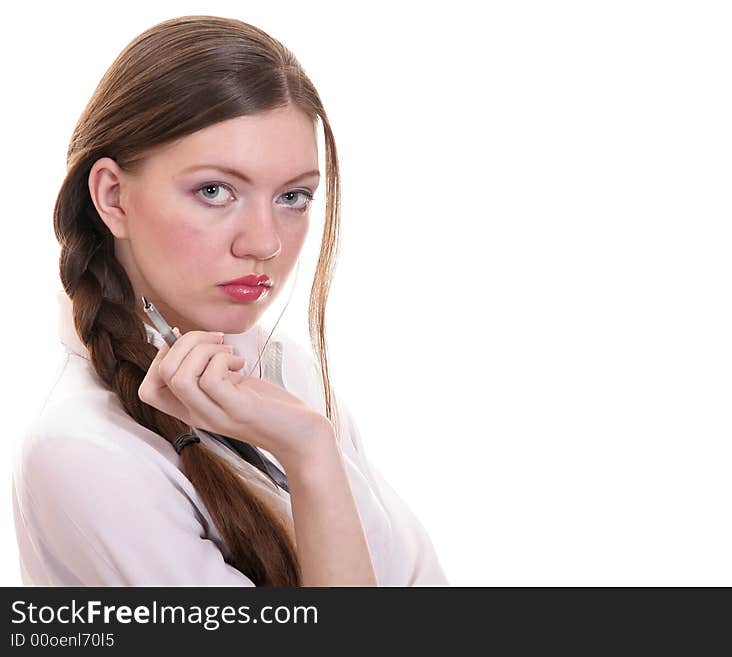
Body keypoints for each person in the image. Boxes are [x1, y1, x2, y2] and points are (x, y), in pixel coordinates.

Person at [11, 15, 448, 587]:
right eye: (214, 191)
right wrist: (312, 458)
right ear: (112, 197)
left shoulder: (280, 365)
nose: (265, 242)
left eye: (293, 196)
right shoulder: (82, 451)